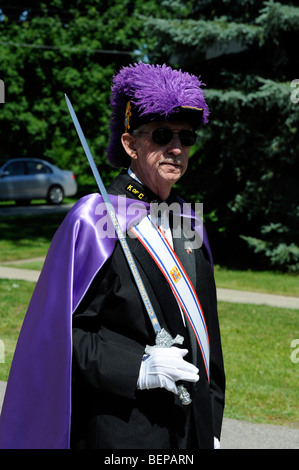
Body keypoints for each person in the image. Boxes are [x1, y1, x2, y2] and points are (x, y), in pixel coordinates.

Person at [0, 62, 225, 450]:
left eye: (185, 137)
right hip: (122, 431)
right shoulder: (95, 219)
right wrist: (136, 367)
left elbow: (210, 342)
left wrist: (212, 426)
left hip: (190, 432)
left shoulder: (189, 220)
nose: (176, 148)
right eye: (160, 135)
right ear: (129, 144)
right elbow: (58, 338)